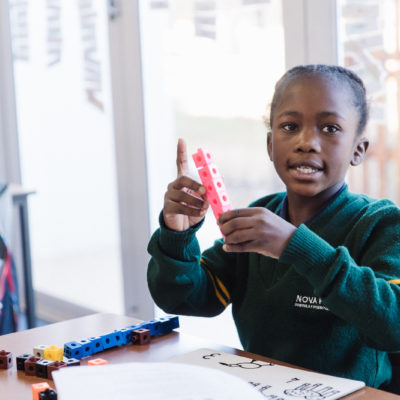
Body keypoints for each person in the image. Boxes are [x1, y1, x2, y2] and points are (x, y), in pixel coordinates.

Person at [147, 64, 400, 389]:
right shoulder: (261, 215)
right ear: (270, 145)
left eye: (330, 128)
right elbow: (185, 298)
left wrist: (296, 247)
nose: (307, 142)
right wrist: (177, 235)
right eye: (290, 126)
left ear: (358, 150)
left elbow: (393, 326)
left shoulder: (380, 223)